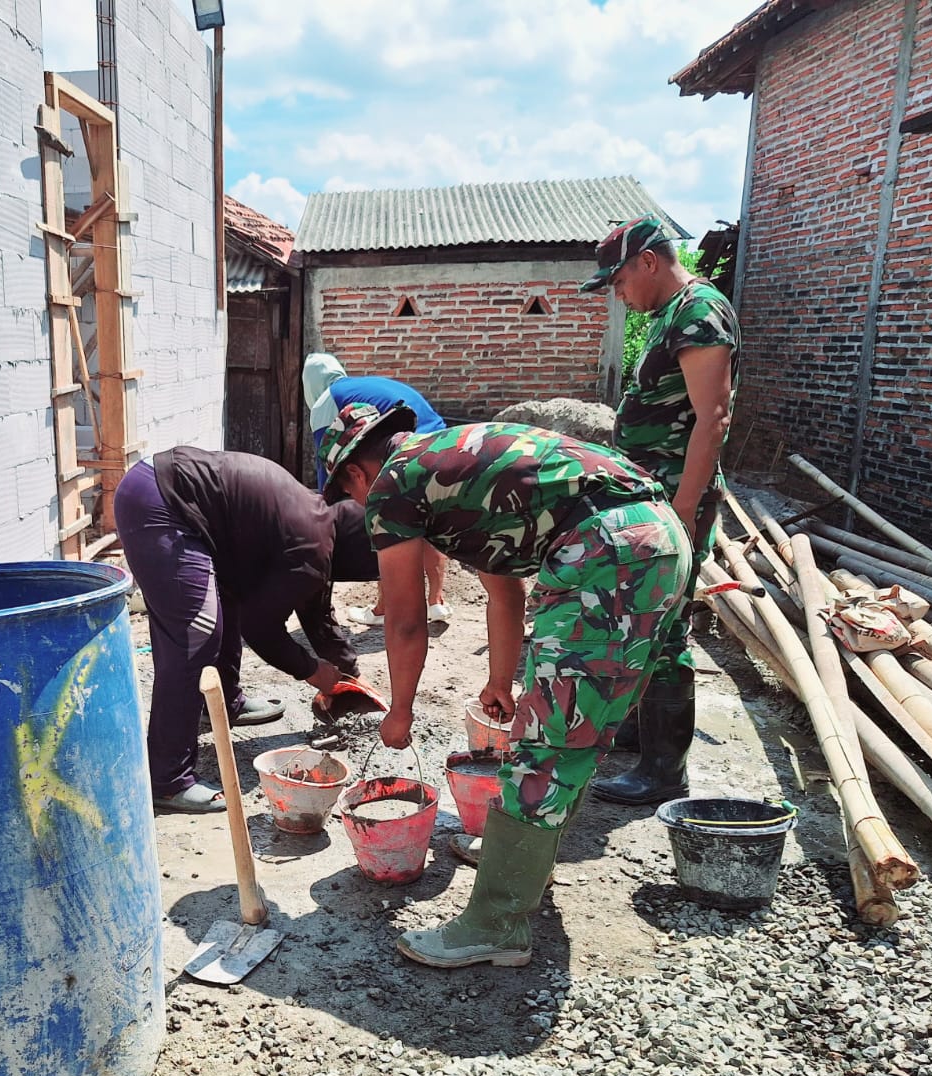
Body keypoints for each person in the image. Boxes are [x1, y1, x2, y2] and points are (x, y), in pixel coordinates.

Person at [321, 403, 691, 968]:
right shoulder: (457, 469)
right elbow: (504, 592)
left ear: (356, 473)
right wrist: (500, 680)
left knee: (547, 744)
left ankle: (496, 924)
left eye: (350, 497)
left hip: (608, 555)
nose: (361, 509)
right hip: (651, 540)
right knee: (576, 729)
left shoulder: (394, 485)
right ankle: (517, 865)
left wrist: (399, 710)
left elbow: (403, 618)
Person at [114, 446, 382, 814]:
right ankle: (167, 778)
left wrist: (349, 673)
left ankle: (225, 701)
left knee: (229, 602)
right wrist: (312, 671)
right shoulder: (312, 545)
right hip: (161, 502)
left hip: (176, 498)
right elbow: (261, 628)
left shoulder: (321, 527)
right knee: (197, 633)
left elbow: (316, 611)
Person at [578, 214, 739, 807]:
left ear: (648, 261)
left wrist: (682, 507)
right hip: (653, 491)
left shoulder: (699, 312)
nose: (617, 294)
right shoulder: (672, 315)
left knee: (666, 625)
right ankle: (643, 734)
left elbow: (713, 419)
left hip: (676, 497)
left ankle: (664, 771)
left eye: (618, 281)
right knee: (641, 615)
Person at [301, 352, 453, 627]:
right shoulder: (360, 386)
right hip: (436, 444)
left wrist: (326, 506)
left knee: (387, 521)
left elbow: (329, 463)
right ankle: (436, 602)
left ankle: (384, 609)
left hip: (403, 451)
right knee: (428, 524)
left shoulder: (326, 402)